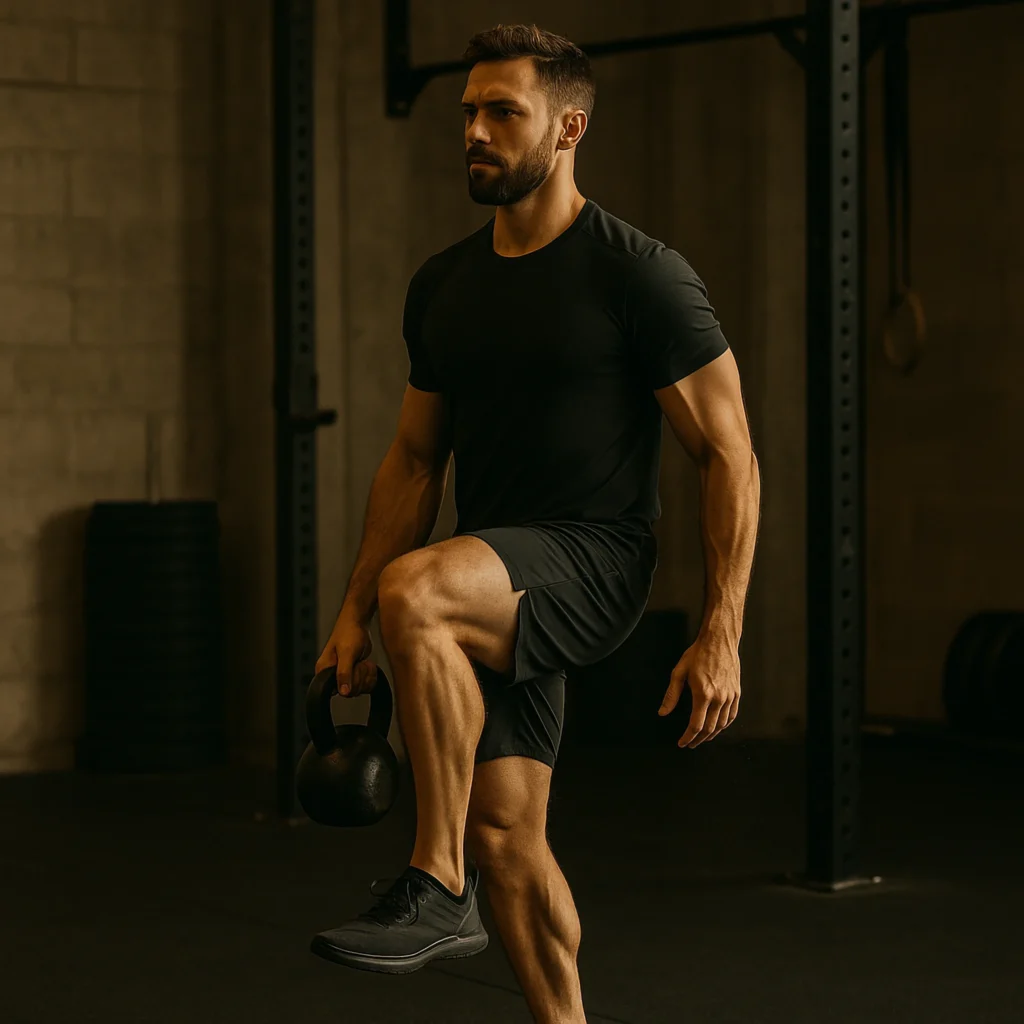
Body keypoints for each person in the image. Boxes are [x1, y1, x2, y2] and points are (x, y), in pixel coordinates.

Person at [310, 22, 761, 1024]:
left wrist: (720, 630)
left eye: (500, 112)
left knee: (417, 591)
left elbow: (726, 451)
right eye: (468, 111)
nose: (474, 129)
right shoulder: (444, 286)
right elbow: (415, 460)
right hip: (495, 573)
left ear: (567, 129)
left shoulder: (638, 275)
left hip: (591, 560)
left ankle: (434, 884)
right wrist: (351, 614)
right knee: (509, 838)